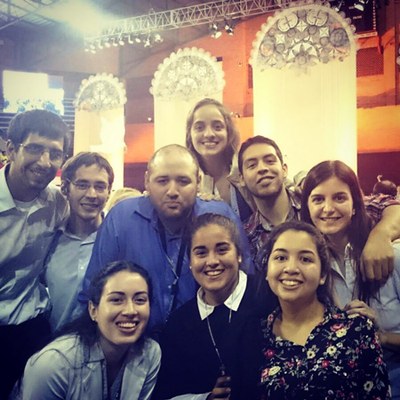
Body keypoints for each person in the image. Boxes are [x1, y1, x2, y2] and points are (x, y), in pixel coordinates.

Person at [81, 144, 254, 337]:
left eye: (183, 181)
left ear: (198, 182)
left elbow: (245, 280)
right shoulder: (121, 218)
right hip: (133, 341)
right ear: (147, 181)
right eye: (162, 181)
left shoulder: (219, 216)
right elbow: (93, 289)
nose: (172, 191)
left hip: (208, 338)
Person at [300, 160, 400, 397]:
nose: (328, 208)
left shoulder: (392, 255)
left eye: (339, 198)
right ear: (307, 208)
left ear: (355, 204)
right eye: (318, 199)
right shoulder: (309, 269)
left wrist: (381, 337)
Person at [238, 135, 400, 280]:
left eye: (270, 160)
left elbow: (386, 205)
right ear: (241, 179)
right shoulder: (247, 235)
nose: (262, 168)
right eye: (252, 165)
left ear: (284, 169)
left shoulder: (315, 201)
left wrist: (381, 235)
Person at [259, 220, 391, 399]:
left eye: (305, 259)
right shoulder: (255, 337)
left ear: (323, 275)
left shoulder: (356, 330)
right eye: (281, 258)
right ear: (267, 270)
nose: (291, 268)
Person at [153, 213, 278, 400]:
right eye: (201, 253)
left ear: (239, 255)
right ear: (190, 262)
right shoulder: (178, 325)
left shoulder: (270, 296)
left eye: (222, 250)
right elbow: (167, 393)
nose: (212, 261)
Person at [13, 260, 161, 399]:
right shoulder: (54, 364)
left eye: (140, 300)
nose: (130, 311)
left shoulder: (150, 353)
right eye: (116, 300)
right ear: (93, 310)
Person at [0, 109, 70, 398]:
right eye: (34, 148)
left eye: (55, 153)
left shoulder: (57, 204)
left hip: (33, 327)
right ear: (11, 149)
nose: (44, 162)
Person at [44, 152, 114, 333]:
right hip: (55, 342)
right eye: (82, 185)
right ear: (65, 188)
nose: (92, 194)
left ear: (108, 192)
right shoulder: (48, 239)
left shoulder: (118, 238)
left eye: (100, 186)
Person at [186, 98, 254, 221]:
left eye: (217, 127)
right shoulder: (185, 181)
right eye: (199, 127)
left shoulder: (246, 169)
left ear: (229, 132)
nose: (209, 134)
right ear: (190, 135)